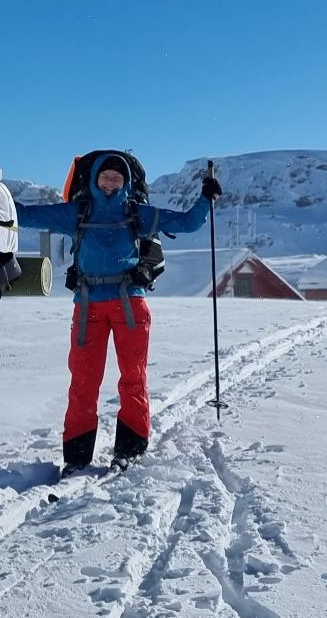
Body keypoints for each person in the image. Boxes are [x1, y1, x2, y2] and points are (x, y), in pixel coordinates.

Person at [17, 154, 221, 476]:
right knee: (83, 382)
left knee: (132, 378)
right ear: (94, 180)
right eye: (105, 177)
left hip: (130, 306)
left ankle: (131, 449)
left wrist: (205, 198)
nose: (110, 183)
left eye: (117, 178)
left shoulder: (136, 213)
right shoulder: (77, 212)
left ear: (126, 183)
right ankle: (77, 456)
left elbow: (187, 223)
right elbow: (25, 215)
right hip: (88, 308)